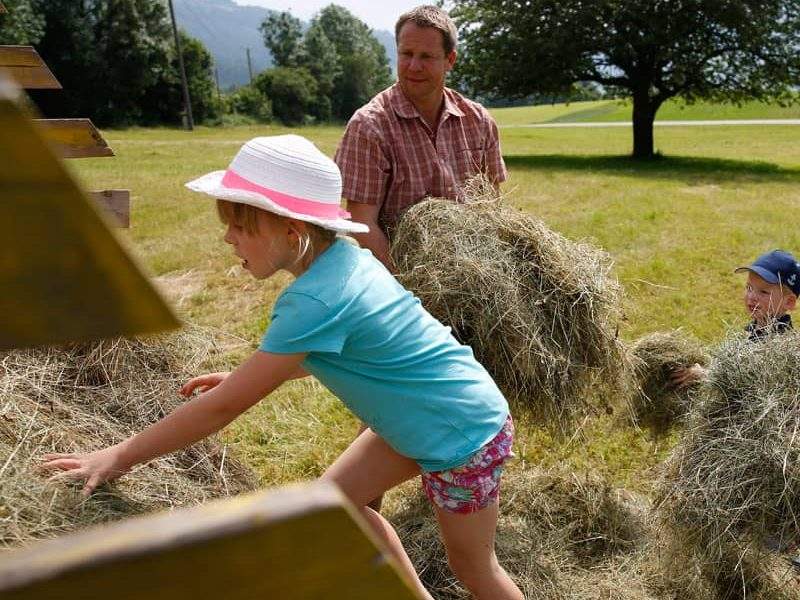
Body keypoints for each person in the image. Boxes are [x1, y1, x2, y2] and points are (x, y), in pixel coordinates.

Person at [39, 135, 524, 600]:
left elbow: (220, 410)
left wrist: (119, 456)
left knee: (475, 569)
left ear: (291, 232)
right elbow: (358, 349)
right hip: (431, 410)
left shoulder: (314, 299)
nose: (227, 237)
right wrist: (246, 375)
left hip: (461, 437)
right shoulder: (346, 261)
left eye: (240, 225)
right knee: (332, 510)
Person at [334, 4, 507, 269]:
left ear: (450, 60)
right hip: (400, 277)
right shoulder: (369, 126)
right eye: (406, 54)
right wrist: (411, 288)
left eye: (426, 56)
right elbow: (362, 224)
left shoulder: (478, 120)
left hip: (472, 271)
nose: (413, 66)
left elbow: (491, 205)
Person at [671, 249, 799, 389]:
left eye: (763, 292)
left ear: (789, 302)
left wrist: (707, 375)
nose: (752, 296)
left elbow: (749, 386)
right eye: (749, 287)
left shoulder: (780, 347)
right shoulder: (754, 330)